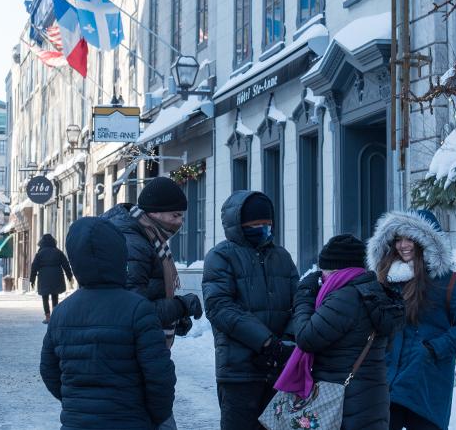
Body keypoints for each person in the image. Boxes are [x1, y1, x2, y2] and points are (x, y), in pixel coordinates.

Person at [40, 217, 176, 430]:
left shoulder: (61, 313)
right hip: (130, 421)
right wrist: (155, 416)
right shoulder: (138, 309)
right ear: (119, 254)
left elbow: (49, 371)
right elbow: (159, 376)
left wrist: (78, 404)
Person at [367, 210, 456, 430]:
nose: (403, 245)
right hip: (388, 379)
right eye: (398, 239)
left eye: (410, 238)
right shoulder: (385, 278)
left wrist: (432, 349)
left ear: (427, 241)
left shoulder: (448, 281)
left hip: (426, 379)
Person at [285, 234, 405, 430]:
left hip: (343, 402)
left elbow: (306, 338)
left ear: (337, 271)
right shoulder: (374, 293)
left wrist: (304, 296)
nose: (321, 277)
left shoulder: (345, 298)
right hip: (370, 400)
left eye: (323, 271)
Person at [202, 191, 300, 430]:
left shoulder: (282, 256)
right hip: (238, 372)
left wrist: (287, 341)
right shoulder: (220, 256)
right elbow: (220, 307)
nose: (263, 229)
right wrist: (265, 342)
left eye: (267, 224)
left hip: (280, 370)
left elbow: (300, 303)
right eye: (255, 225)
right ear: (239, 225)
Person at [101, 177, 202, 349]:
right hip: (130, 352)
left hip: (142, 346)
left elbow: (146, 296)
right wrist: (180, 306)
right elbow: (132, 311)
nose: (179, 222)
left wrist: (174, 318)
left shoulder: (149, 239)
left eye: (182, 216)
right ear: (155, 212)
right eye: (175, 215)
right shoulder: (135, 245)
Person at [30, 233, 74, 324]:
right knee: (55, 296)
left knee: (45, 298)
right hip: (56, 276)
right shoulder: (58, 252)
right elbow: (66, 264)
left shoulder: (40, 254)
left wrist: (32, 279)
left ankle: (48, 317)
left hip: (44, 277)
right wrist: (70, 276)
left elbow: (34, 267)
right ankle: (54, 316)